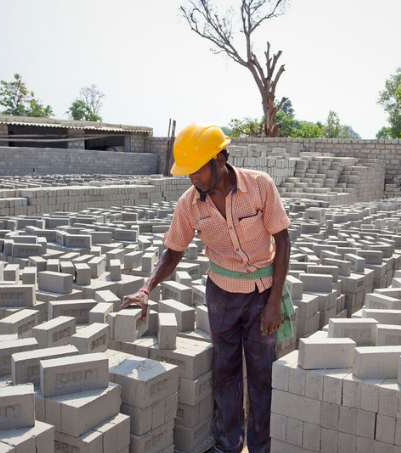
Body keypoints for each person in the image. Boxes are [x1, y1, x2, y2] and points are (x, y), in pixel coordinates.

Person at [121, 122, 293, 453]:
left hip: (261, 295)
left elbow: (282, 240)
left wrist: (274, 303)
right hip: (222, 296)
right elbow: (173, 251)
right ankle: (229, 445)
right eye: (187, 173)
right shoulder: (189, 204)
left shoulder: (259, 186)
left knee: (261, 376)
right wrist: (146, 288)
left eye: (197, 170)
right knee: (225, 373)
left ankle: (261, 447)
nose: (193, 179)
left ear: (219, 159)